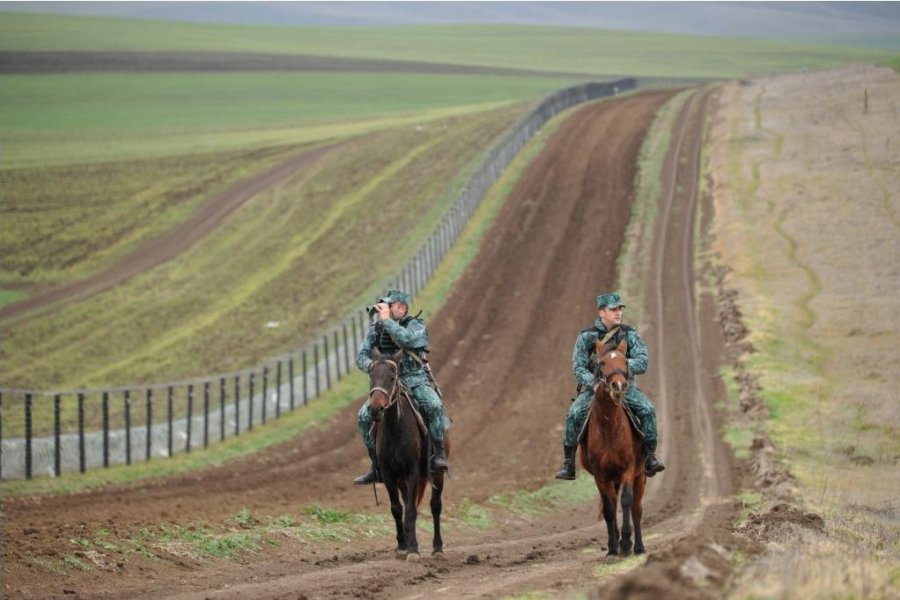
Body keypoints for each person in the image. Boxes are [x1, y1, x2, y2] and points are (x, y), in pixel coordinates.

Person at [555, 292, 666, 480]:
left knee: (647, 409)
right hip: (595, 390)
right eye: (613, 309)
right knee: (573, 414)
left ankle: (650, 457)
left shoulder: (630, 334)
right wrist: (594, 383)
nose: (618, 313)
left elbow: (643, 362)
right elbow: (578, 367)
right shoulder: (586, 337)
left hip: (624, 388)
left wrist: (620, 366)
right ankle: (568, 463)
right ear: (601, 312)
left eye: (620, 309)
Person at [353, 289, 449, 485]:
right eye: (385, 307)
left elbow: (406, 339)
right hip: (387, 383)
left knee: (434, 406)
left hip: (414, 380)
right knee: (363, 417)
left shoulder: (416, 326)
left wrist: (387, 321)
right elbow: (361, 355)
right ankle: (376, 465)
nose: (385, 309)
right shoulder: (376, 329)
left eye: (390, 306)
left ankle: (438, 454)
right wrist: (372, 366)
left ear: (402, 308)